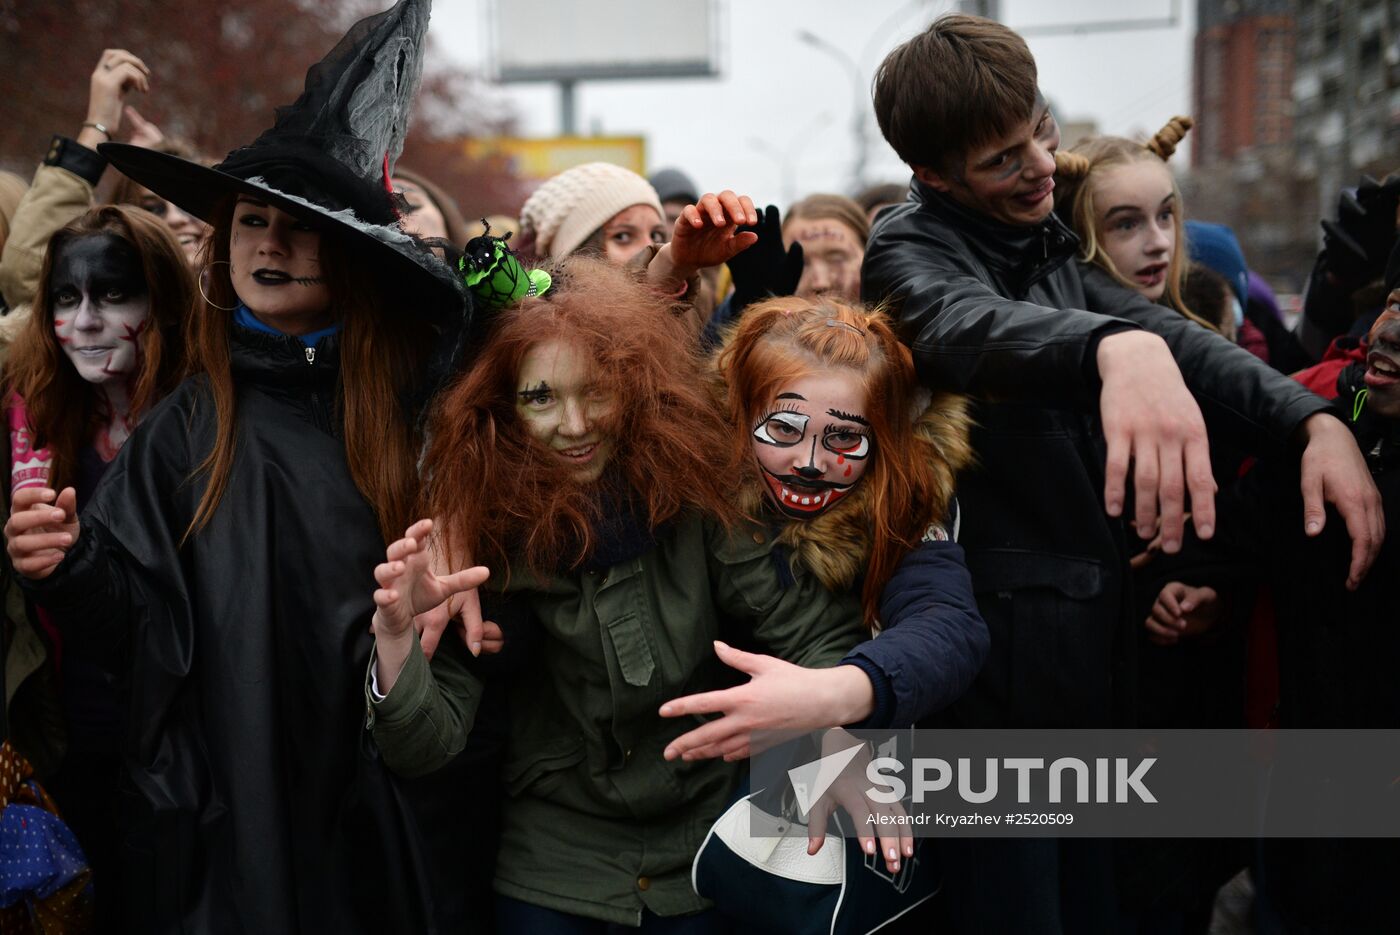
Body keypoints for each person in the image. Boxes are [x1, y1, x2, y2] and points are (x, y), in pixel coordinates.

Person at [863, 13, 1383, 932]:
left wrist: (1312, 422)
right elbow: (968, 326)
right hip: (990, 701)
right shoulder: (908, 254)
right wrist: (1113, 347)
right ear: (933, 176)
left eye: (1042, 130)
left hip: (1093, 689)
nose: (1038, 167)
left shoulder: (1043, 241)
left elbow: (1181, 339)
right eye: (1002, 158)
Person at [3, 2, 475, 930]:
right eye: (251, 221)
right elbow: (135, 629)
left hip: (383, 814)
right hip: (226, 820)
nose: (271, 243)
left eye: (300, 227)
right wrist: (66, 567)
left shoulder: (415, 409)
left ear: (350, 254)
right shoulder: (189, 422)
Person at [366, 256, 869, 932]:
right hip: (554, 866)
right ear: (501, 407)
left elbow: (814, 633)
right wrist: (397, 640)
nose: (574, 424)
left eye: (596, 390)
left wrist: (833, 722)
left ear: (634, 387)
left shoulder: (699, 498)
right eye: (540, 396)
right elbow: (421, 746)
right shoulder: (476, 535)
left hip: (706, 853)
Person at [659, 297, 987, 757]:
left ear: (882, 441)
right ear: (739, 417)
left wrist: (838, 694)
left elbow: (947, 624)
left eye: (844, 438)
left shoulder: (900, 509)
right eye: (785, 430)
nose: (810, 464)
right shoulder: (697, 492)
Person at [1, 204, 193, 927]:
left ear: (163, 303)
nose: (83, 321)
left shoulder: (210, 423)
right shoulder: (30, 419)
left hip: (181, 752)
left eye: (113, 295)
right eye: (65, 298)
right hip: (63, 740)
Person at [515, 161, 756, 332]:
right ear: (574, 253)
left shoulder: (686, 312)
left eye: (657, 233)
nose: (650, 246)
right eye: (622, 236)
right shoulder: (535, 333)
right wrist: (669, 265)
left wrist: (752, 299)